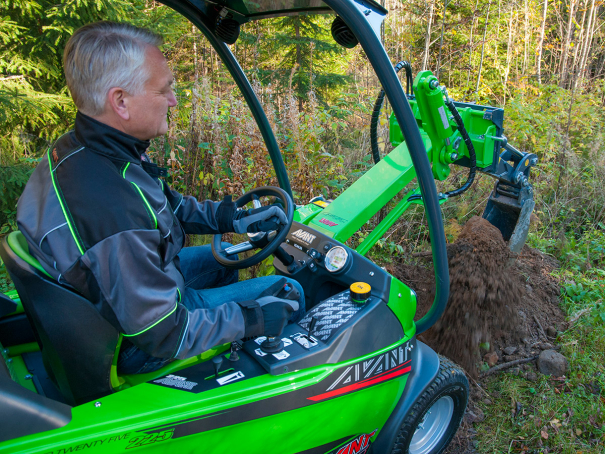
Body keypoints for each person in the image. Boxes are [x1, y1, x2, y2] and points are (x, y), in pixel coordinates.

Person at [16, 21, 304, 375]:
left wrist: (230, 217)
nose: (173, 99)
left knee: (226, 262)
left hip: (121, 294)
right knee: (287, 291)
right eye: (164, 89)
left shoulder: (92, 149)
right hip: (136, 341)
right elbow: (164, 333)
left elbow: (168, 205)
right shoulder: (112, 209)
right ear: (120, 101)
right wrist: (252, 318)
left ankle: (226, 350)